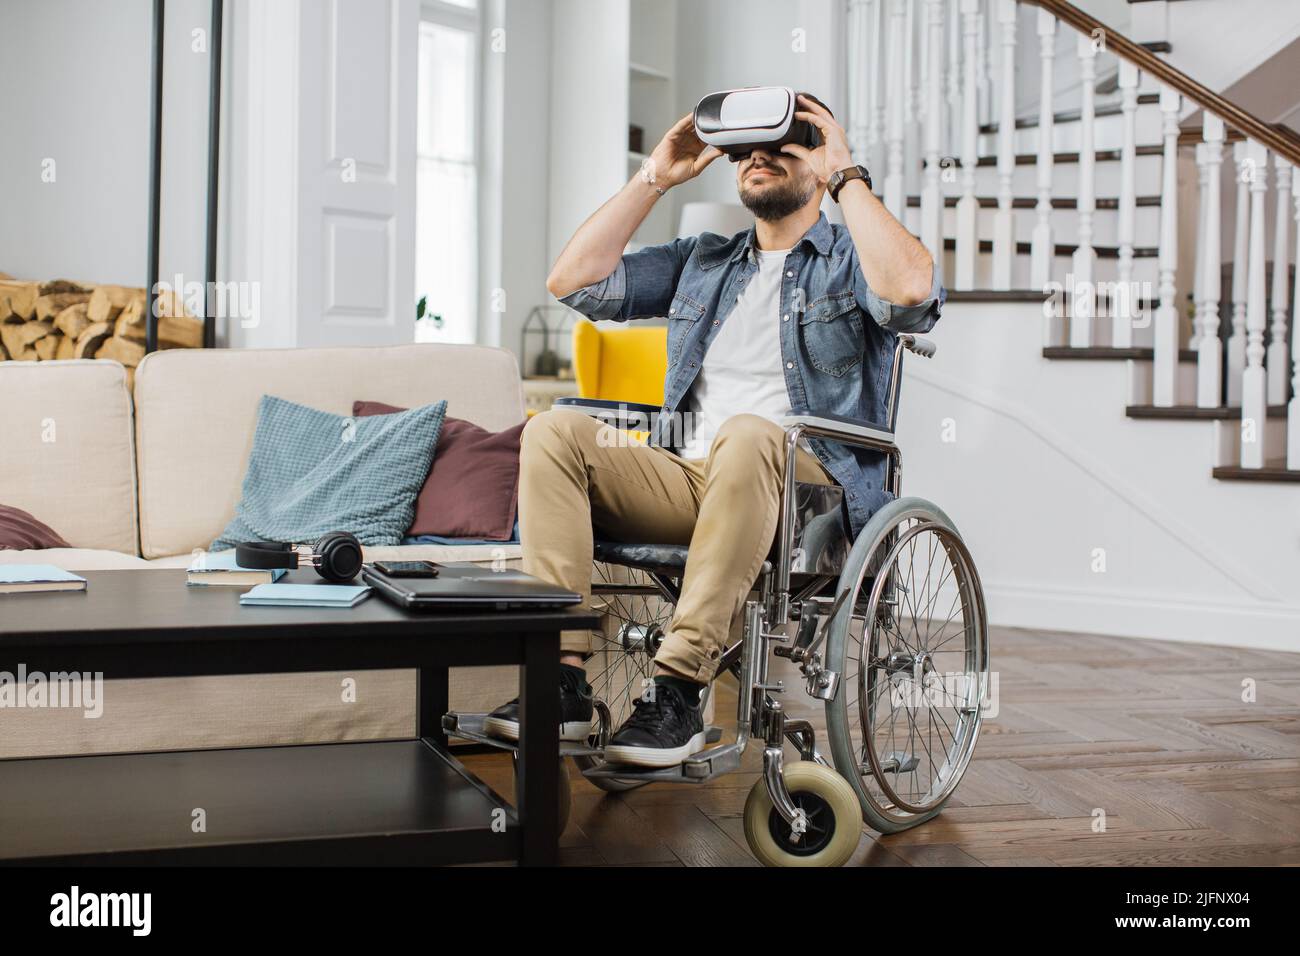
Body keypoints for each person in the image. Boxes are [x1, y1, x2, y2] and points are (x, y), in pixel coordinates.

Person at [483, 93, 943, 768]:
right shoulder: (705, 260)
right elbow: (572, 282)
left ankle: (676, 689)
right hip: (695, 476)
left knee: (752, 433)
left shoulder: (851, 259)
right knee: (554, 430)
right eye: (745, 149)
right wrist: (655, 177)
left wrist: (848, 175)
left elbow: (911, 292)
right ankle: (564, 681)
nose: (759, 157)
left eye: (783, 145)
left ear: (818, 162)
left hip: (807, 488)